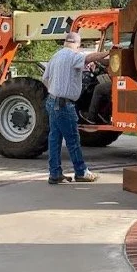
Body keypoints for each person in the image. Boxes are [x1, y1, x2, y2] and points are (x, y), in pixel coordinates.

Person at [42, 32, 109, 184]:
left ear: (65, 42)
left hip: (52, 101)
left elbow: (45, 78)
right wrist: (108, 52)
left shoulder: (55, 56)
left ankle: (55, 173)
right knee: (73, 139)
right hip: (64, 104)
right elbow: (89, 57)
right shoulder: (74, 56)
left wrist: (55, 90)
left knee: (54, 139)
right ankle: (81, 172)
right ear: (77, 44)